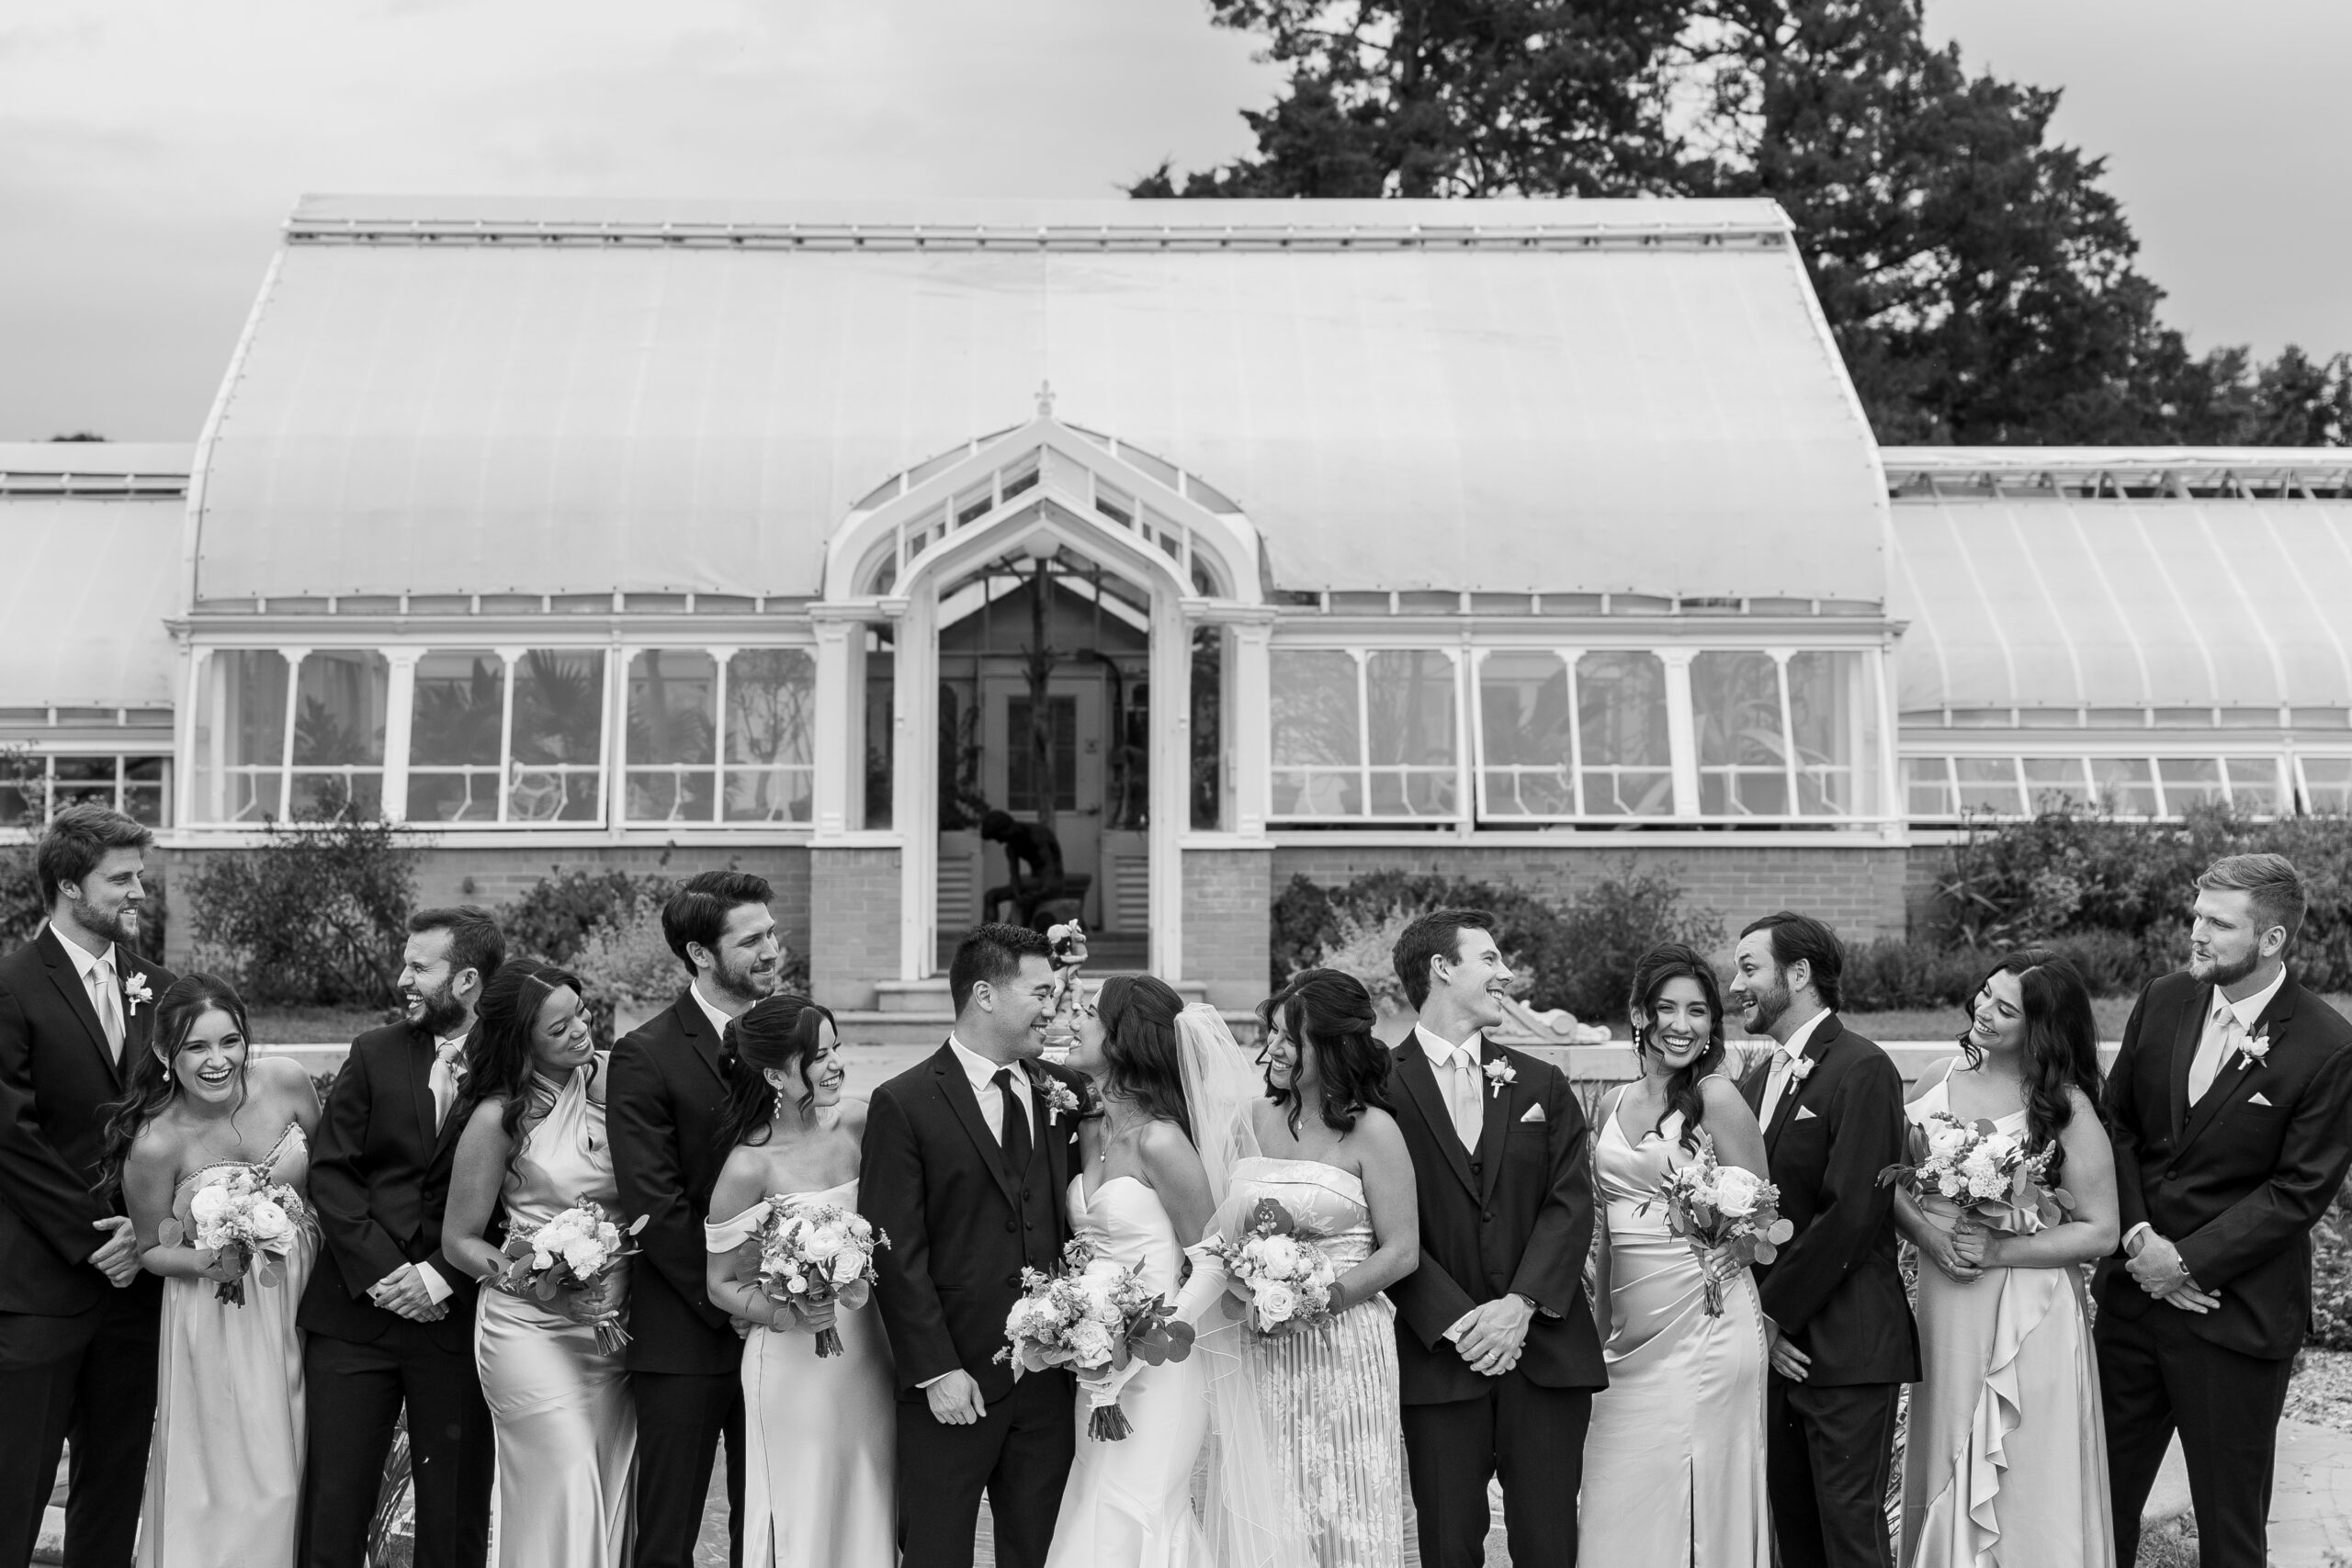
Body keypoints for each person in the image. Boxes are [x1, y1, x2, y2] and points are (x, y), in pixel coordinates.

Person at [2098, 854, 2352, 1568]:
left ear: (2271, 939)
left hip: (2232, 1318)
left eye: (2218, 921)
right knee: (2096, 1510)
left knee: (2231, 1533)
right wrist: (2140, 1238)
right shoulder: (2164, 998)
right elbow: (2118, 1127)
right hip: (2130, 1310)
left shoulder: (2328, 1046)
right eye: (2197, 914)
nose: (2195, 932)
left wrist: (2185, 1261)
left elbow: (2298, 1190)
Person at [859, 923, 1088, 1568]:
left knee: (1039, 1553)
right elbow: (893, 1250)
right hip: (951, 1382)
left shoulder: (1059, 1090)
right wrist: (936, 1370)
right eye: (1040, 990)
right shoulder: (902, 1102)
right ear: (985, 994)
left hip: (1045, 1382)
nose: (1053, 1004)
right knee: (935, 1552)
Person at [1383, 910, 1603, 1568]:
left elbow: (1571, 1202)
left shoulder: (1542, 1084)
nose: (1505, 973)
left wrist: (1521, 1306)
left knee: (1549, 1545)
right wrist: (1457, 1321)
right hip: (1439, 1359)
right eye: (1489, 958)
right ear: (1442, 968)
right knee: (1448, 1548)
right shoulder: (1377, 1088)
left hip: (1545, 1354)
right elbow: (1377, 1222)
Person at [1185, 968, 1419, 1568]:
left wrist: (1324, 1299)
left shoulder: (1374, 1130)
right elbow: (1223, 1230)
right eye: (1271, 1032)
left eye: (1291, 1035)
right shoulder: (1254, 1120)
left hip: (1344, 1345)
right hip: (1261, 1346)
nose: (1274, 1047)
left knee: (1345, 1505)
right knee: (1270, 1505)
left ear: (1334, 1045)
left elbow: (1400, 1249)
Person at [1894, 951, 2118, 1568]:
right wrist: (1930, 1237)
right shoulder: (1936, 1079)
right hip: (1948, 1296)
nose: (1984, 1012)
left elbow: (2101, 1230)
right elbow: (1889, 1187)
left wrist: (2000, 1250)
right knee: (1946, 1439)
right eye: (1985, 995)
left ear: (2040, 1027)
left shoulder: (2063, 1106)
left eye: (2006, 1008)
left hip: (2029, 1311)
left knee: (2022, 1459)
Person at [298, 907, 502, 1568]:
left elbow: (522, 1191)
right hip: (357, 1312)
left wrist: (438, 1274)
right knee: (334, 1505)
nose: (402, 977)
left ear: (467, 979)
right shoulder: (373, 1051)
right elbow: (332, 1173)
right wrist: (390, 1275)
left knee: (454, 1512)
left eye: (419, 965)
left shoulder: (513, 1065)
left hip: (456, 1318)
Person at [0, 804, 175, 1568]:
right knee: (15, 1485)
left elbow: (183, 1118)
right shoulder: (10, 985)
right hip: (40, 1283)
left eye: (139, 874)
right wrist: (95, 1239)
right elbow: (11, 1133)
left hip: (136, 1287)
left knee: (113, 1487)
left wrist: (148, 1236)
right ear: (70, 884)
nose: (139, 891)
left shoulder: (160, 989)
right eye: (122, 878)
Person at [111, 975, 322, 1568]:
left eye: (230, 1041)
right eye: (196, 1047)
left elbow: (336, 1182)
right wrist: (209, 1259)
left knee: (305, 1457)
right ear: (163, 1054)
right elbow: (152, 1248)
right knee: (236, 1471)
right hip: (217, 1316)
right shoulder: (154, 1142)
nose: (218, 1059)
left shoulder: (286, 1082)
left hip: (304, 1299)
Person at [1729, 911, 1917, 1568]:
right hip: (1775, 1354)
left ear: (1799, 973)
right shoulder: (1755, 1080)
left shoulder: (1864, 1067)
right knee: (1795, 1537)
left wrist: (1771, 1316)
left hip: (1846, 1350)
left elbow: (1851, 1214)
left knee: (1849, 1536)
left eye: (1749, 967)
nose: (1735, 984)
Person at [610, 871, 782, 1568]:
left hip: (781, 1326)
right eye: (753, 939)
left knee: (769, 1519)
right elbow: (654, 1201)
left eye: (772, 932)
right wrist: (731, 1298)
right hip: (684, 1331)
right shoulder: (646, 1053)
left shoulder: (790, 1034)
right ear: (701, 953)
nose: (772, 949)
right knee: (668, 1531)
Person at [442, 960, 638, 1568]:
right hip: (528, 1329)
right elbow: (460, 1241)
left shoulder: (620, 1083)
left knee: (609, 1483)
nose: (580, 1031)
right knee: (568, 1477)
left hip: (612, 1329)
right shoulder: (498, 1116)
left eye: (580, 1013)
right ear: (521, 1039)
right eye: (559, 1029)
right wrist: (542, 1287)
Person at [1583, 943, 1772, 1568]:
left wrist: (1720, 1242)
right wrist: (1597, 1335)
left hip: (1707, 1326)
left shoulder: (1718, 1099)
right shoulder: (1610, 1104)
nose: (1681, 1025)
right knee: (1616, 1491)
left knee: (1698, 1498)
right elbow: (1608, 1232)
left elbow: (1763, 1219)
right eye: (1666, 1008)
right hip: (1628, 1336)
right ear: (1639, 1013)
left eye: (1697, 1011)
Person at [702, 995, 894, 1568]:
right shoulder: (748, 1165)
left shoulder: (862, 1123)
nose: (836, 1064)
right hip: (792, 1362)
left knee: (869, 1489)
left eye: (837, 1049)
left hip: (872, 1351)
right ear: (775, 1074)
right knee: (801, 1499)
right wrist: (789, 1312)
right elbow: (719, 1284)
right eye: (819, 1055)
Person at [1043, 976, 1218, 1568]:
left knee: (1137, 1511)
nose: (1071, 1019)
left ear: (1121, 1038)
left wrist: (1146, 1344)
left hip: (1161, 1366)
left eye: (1088, 1012)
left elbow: (1214, 1260)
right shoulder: (1085, 1128)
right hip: (1093, 1364)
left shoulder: (1161, 1142)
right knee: (1094, 1504)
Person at [979, 810, 1067, 931]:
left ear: (1007, 828)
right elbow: (1014, 875)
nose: (1000, 842)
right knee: (990, 896)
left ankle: (1023, 933)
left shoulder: (1037, 834)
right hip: (1035, 884)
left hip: (1053, 882)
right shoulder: (1011, 846)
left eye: (1000, 837)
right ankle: (987, 938)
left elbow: (1049, 867)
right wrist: (1017, 893)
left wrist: (1043, 891)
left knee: (1028, 893)